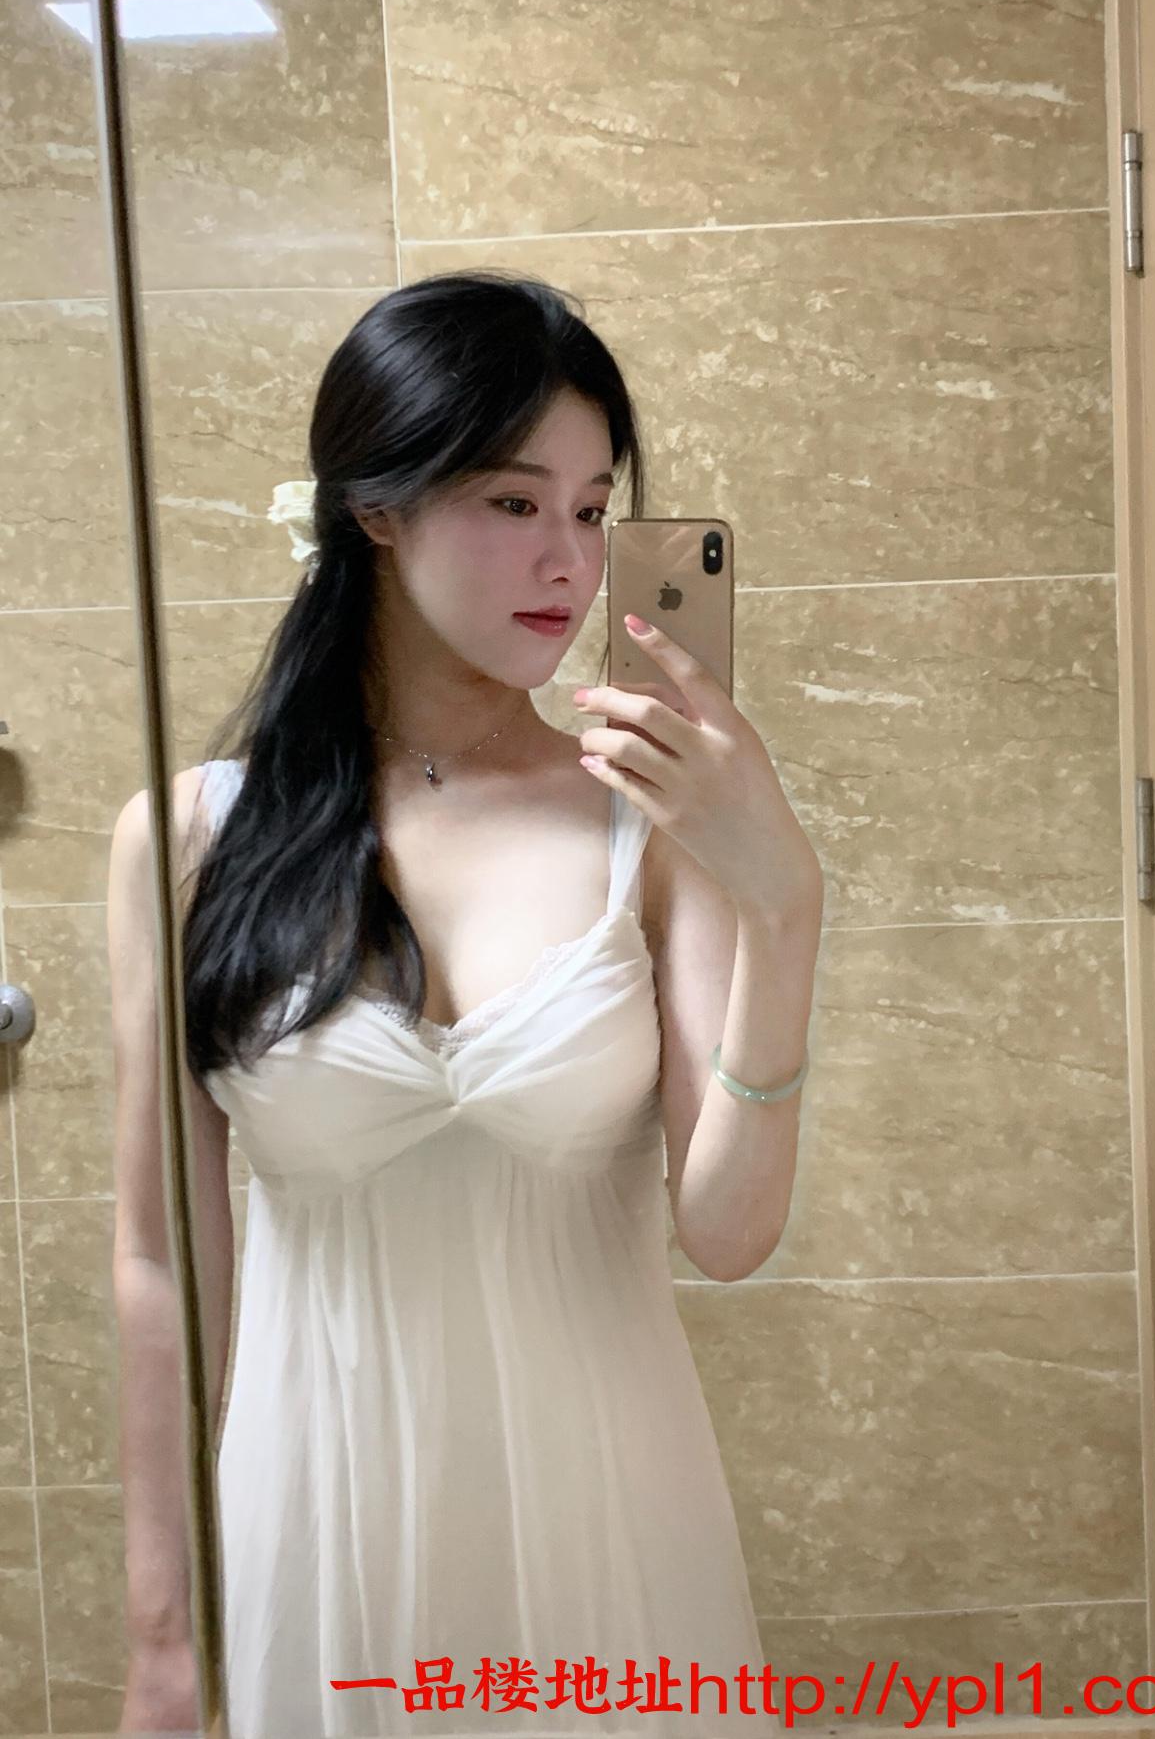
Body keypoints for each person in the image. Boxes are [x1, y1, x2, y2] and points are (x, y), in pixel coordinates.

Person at [108, 270, 822, 1737]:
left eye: (592, 508)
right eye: (513, 502)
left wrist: (782, 906)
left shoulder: (646, 822)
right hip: (321, 1516)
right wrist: (166, 1633)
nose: (568, 560)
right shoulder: (189, 839)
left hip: (606, 1518)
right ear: (375, 507)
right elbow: (163, 1257)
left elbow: (728, 1231)